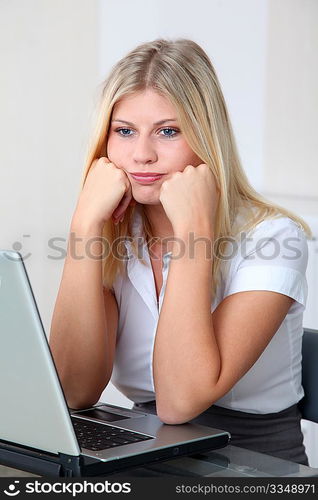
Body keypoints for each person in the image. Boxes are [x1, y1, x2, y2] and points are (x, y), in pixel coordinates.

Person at [49, 38, 312, 465]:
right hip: (143, 451)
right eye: (124, 131)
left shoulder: (272, 238)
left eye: (168, 131)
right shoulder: (116, 233)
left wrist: (194, 231)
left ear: (206, 138)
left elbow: (179, 401)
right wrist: (83, 227)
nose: (142, 155)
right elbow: (75, 389)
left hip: (252, 462)